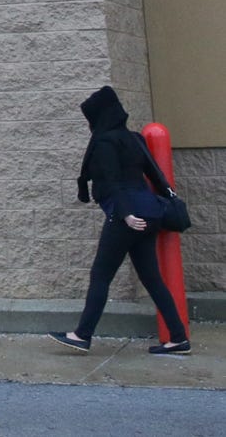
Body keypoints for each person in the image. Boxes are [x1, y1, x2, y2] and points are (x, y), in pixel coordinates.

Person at [49, 84, 190, 355]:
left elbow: (113, 182)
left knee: (100, 275)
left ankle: (81, 335)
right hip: (151, 214)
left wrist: (126, 214)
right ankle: (178, 338)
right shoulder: (135, 138)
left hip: (128, 216)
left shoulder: (104, 142)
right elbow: (155, 174)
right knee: (152, 279)